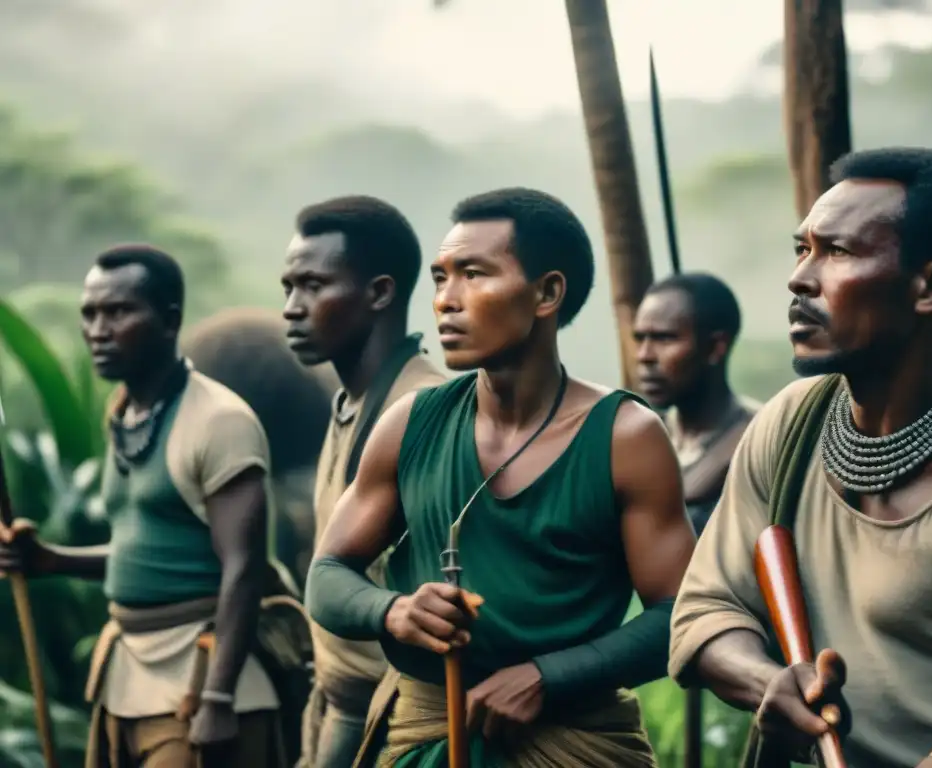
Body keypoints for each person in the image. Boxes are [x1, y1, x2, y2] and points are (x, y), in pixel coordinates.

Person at [304, 187, 697, 766]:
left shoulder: (624, 438)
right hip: (428, 734)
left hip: (575, 741)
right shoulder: (412, 423)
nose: (446, 301)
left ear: (547, 293)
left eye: (473, 274)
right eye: (440, 278)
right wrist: (395, 611)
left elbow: (677, 615)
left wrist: (549, 676)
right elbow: (327, 576)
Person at [668, 147, 932, 768]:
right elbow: (705, 608)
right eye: (802, 249)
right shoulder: (793, 422)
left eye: (839, 252)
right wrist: (766, 680)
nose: (801, 278)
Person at [0, 245, 290, 767]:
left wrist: (218, 698)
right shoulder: (127, 414)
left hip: (199, 684)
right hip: (127, 678)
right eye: (90, 313)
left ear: (169, 320)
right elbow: (148, 551)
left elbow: (243, 569)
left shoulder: (219, 421)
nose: (98, 329)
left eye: (119, 312)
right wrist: (51, 560)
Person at [281, 195, 447, 768]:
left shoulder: (424, 410)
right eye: (288, 288)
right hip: (335, 701)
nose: (291, 309)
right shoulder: (348, 404)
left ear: (379, 293)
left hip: (392, 715)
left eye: (312, 286)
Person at [634, 272, 759, 538]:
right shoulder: (641, 436)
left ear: (715, 347)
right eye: (640, 338)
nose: (644, 356)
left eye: (664, 338)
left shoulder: (759, 439)